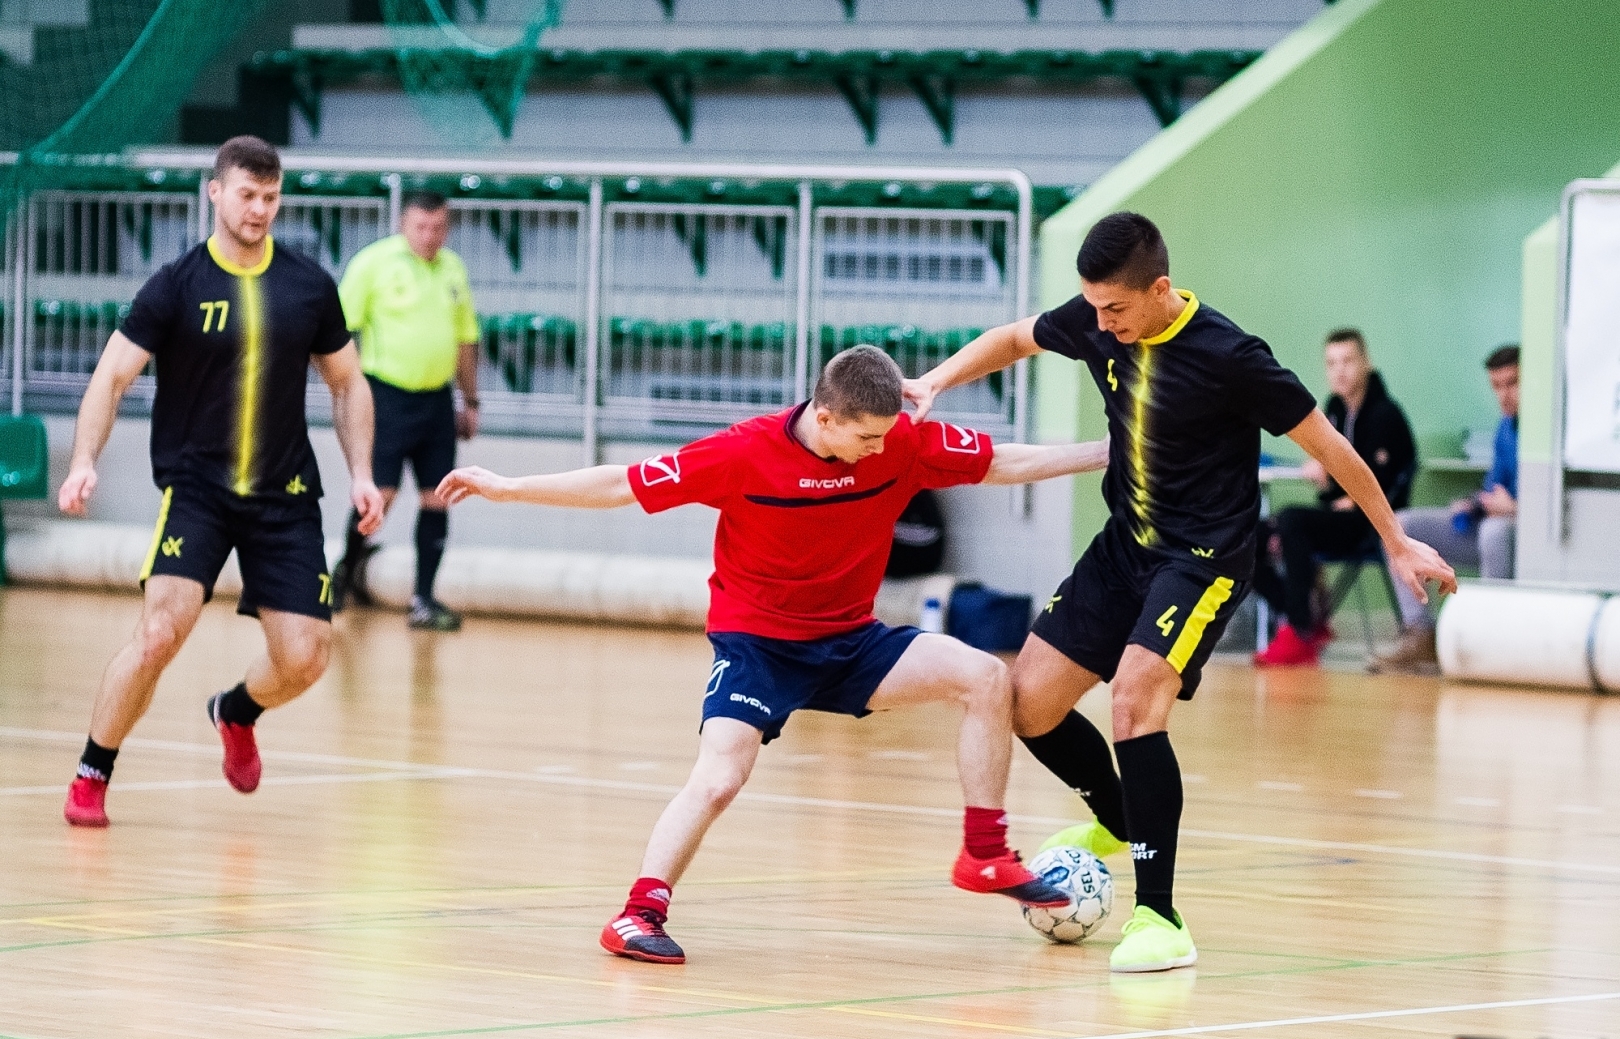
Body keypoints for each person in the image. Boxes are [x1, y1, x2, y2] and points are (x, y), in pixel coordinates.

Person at [903, 212, 1456, 973]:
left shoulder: (1232, 357)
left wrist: (1394, 539)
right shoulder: (1101, 318)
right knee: (1026, 701)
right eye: (1093, 308)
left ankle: (1160, 917)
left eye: (1116, 310)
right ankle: (1119, 819)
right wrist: (934, 382)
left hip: (1203, 559)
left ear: (1160, 289)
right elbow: (1014, 338)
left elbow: (1331, 446)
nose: (1100, 325)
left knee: (1134, 701)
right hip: (1124, 546)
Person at [437, 344, 1110, 964]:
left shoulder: (896, 442)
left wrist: (1110, 450)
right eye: (866, 437)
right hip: (758, 645)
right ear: (824, 416)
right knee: (721, 776)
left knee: (985, 676)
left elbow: (1001, 462)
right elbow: (621, 484)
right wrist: (507, 486)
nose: (880, 450)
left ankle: (985, 852)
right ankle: (638, 914)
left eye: (885, 436)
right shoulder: (743, 453)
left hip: (851, 642)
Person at [58, 136, 385, 828]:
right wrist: (84, 460)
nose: (260, 208)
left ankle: (235, 713)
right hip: (198, 492)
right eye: (247, 194)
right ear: (216, 192)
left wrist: (362, 474)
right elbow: (112, 377)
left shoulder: (307, 285)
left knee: (304, 659)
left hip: (285, 500)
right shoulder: (176, 285)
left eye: (271, 197)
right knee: (157, 635)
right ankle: (93, 771)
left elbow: (348, 382)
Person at [332, 190, 481, 631]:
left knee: (439, 496)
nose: (430, 236)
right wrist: (348, 391)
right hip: (386, 396)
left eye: (438, 228)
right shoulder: (374, 264)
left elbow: (465, 338)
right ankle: (344, 575)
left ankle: (424, 599)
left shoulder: (453, 268)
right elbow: (338, 329)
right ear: (403, 223)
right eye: (421, 227)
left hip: (437, 401)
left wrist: (469, 400)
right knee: (381, 494)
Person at [1252, 328, 1417, 666]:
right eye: (1332, 363)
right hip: (1340, 516)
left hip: (1371, 524)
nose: (1339, 370)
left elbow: (1386, 482)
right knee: (1249, 537)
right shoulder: (1334, 409)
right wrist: (1323, 473)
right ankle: (1306, 619)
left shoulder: (1385, 414)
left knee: (1292, 520)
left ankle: (1300, 631)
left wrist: (1352, 499)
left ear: (1366, 363)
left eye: (1347, 361)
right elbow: (1334, 483)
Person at [1371, 345, 1520, 674]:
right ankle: (1421, 633)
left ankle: (1493, 640)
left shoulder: (1542, 431)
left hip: (1519, 533)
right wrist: (1474, 501)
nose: (1504, 395)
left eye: (1512, 383)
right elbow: (1493, 486)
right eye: (1497, 386)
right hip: (1487, 525)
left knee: (1495, 532)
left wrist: (1517, 508)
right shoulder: (1504, 430)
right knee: (1402, 524)